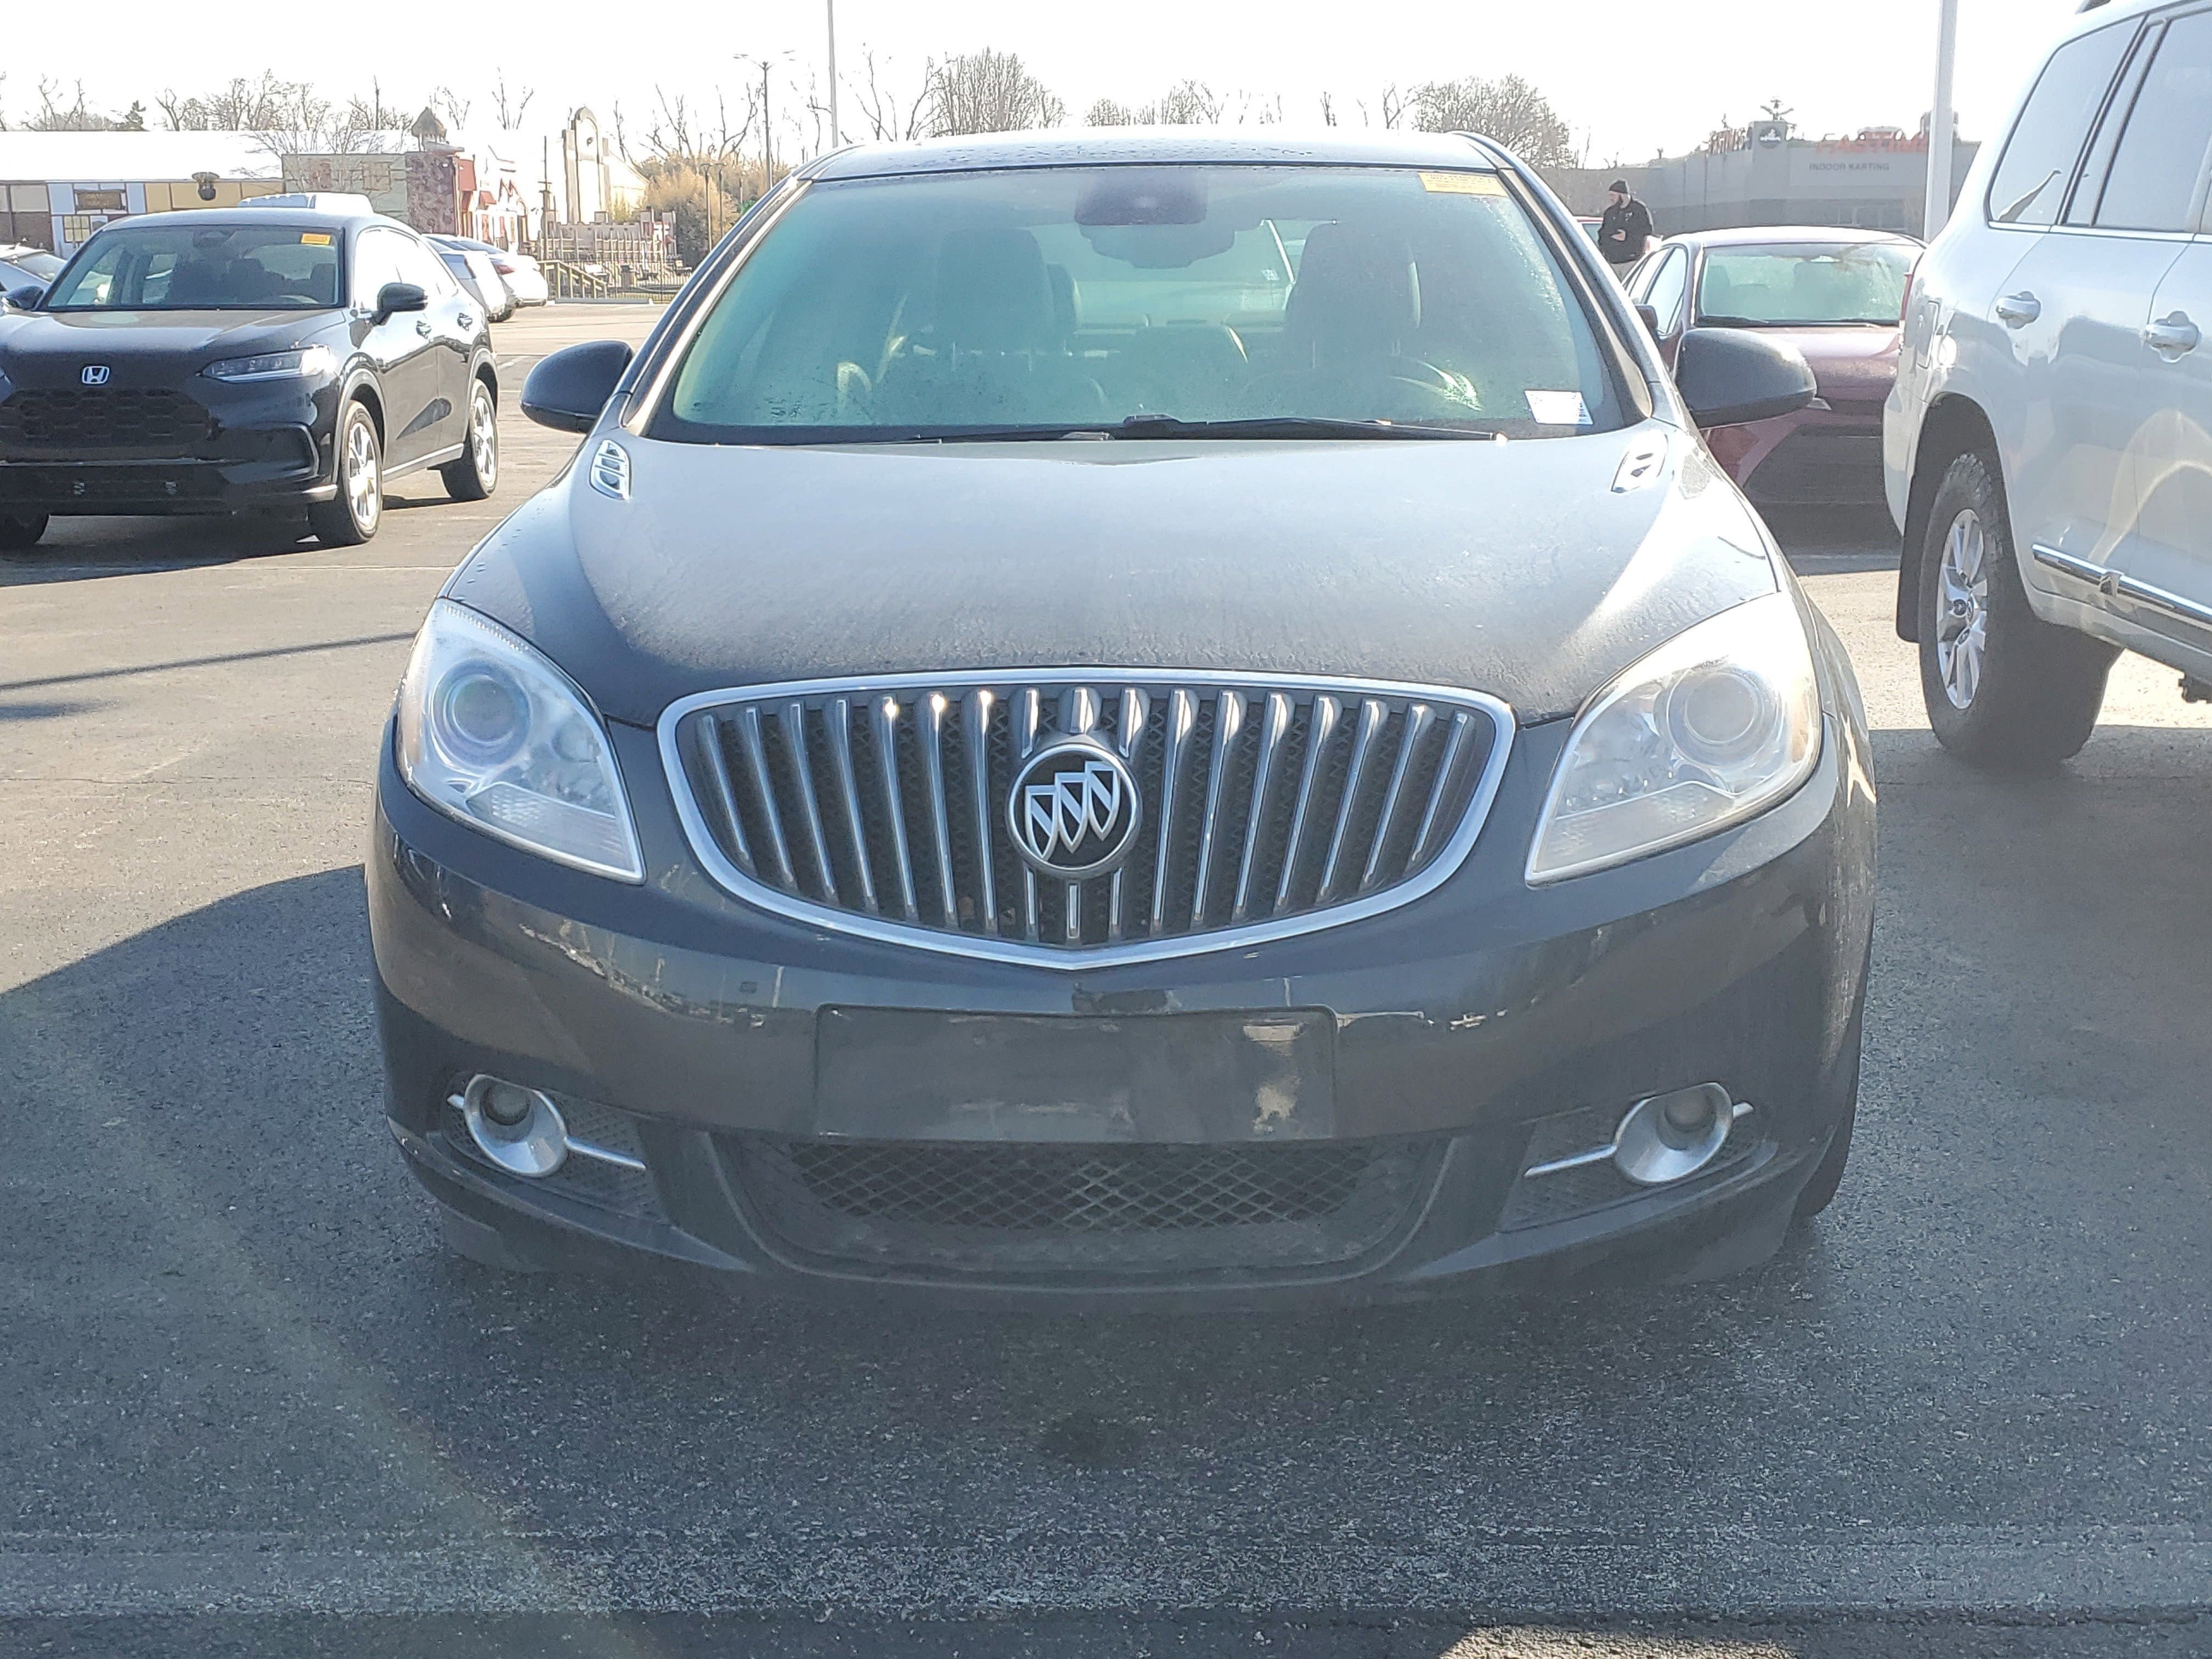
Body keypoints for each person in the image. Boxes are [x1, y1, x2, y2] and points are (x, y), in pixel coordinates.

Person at [1597, 180, 1655, 274]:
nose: (1611, 198)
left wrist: (1628, 236)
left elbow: (1647, 230)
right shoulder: (1610, 213)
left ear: (1622, 195)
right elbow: (1603, 233)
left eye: (1613, 195)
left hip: (1632, 261)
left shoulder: (1638, 209)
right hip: (1612, 262)